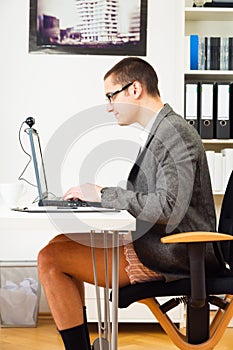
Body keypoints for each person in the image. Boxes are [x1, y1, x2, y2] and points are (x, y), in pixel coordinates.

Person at [38, 57, 220, 350]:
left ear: (134, 89)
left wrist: (104, 194)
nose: (109, 105)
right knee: (58, 244)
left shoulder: (174, 133)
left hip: (173, 252)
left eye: (111, 95)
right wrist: (98, 198)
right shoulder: (162, 130)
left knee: (51, 259)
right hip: (157, 242)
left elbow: (170, 207)